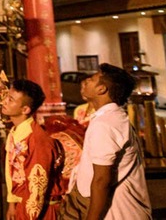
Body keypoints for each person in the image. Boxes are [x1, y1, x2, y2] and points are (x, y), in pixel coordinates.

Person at [60, 63, 150, 219]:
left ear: (101, 89)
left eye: (92, 79)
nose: (85, 81)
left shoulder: (105, 124)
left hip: (115, 210)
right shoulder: (109, 118)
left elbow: (101, 180)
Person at [0, 78, 65, 220]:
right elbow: (11, 171)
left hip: (40, 209)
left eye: (10, 100)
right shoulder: (14, 132)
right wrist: (12, 204)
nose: (4, 101)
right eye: (6, 97)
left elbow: (37, 187)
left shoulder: (37, 140)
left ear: (25, 109)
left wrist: (27, 215)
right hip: (21, 203)